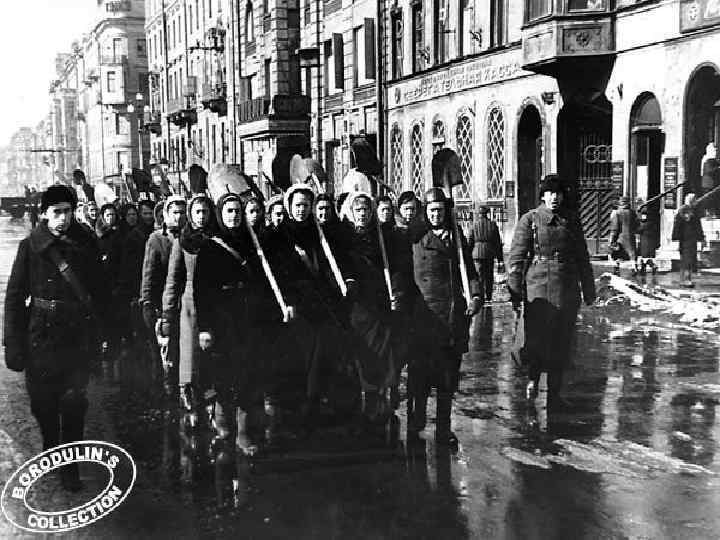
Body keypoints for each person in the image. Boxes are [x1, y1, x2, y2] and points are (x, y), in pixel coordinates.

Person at [3, 185, 106, 491]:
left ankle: (69, 467)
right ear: (45, 214)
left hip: (76, 335)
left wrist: (106, 336)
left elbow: (101, 293)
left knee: (74, 403)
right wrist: (13, 344)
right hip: (41, 335)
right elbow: (14, 298)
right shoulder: (30, 247)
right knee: (43, 404)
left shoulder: (86, 244)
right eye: (57, 212)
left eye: (68, 211)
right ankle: (50, 442)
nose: (63, 218)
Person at [507, 175, 596, 410]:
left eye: (558, 193)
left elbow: (582, 256)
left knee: (561, 340)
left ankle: (555, 393)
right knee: (536, 339)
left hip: (567, 288)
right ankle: (533, 381)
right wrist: (515, 291)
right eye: (550, 193)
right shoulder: (530, 219)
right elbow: (516, 258)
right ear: (543, 196)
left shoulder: (571, 220)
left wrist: (589, 289)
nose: (554, 197)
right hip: (538, 288)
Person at [407, 188, 481, 446]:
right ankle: (416, 420)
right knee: (421, 376)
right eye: (431, 211)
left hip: (452, 317)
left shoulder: (456, 237)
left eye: (440, 210)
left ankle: (443, 429)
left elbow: (470, 271)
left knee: (447, 378)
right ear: (425, 213)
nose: (436, 215)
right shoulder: (416, 238)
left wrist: (476, 296)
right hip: (425, 317)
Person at [194, 193, 257, 451]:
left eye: (237, 211)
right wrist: (204, 328)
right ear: (220, 214)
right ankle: (222, 422)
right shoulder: (210, 247)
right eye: (229, 211)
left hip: (245, 316)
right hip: (221, 318)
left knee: (246, 373)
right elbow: (201, 291)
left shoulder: (251, 242)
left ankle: (243, 432)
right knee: (223, 373)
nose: (234, 216)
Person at [161, 194, 216, 418]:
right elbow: (173, 280)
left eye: (205, 212)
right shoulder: (182, 241)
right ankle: (191, 405)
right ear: (191, 215)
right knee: (190, 357)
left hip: (215, 303)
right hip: (190, 306)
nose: (201, 216)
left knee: (212, 356)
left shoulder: (217, 238)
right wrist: (167, 314)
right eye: (197, 212)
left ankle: (213, 405)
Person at [140, 195, 187, 377]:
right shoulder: (156, 239)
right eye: (174, 212)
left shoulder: (191, 237)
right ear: (166, 215)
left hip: (186, 304)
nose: (179, 217)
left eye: (182, 212)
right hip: (164, 306)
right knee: (167, 355)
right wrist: (147, 304)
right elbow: (149, 275)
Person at [469, 205, 504, 302]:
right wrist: (500, 258)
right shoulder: (492, 225)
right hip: (489, 253)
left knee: (479, 276)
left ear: (479, 214)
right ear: (487, 213)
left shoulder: (474, 225)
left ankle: (480, 296)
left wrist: (469, 254)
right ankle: (488, 296)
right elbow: (497, 243)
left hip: (477, 253)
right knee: (489, 276)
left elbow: (470, 241)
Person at [672, 192, 705, 287]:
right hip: (687, 239)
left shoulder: (689, 210)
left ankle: (685, 279)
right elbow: (679, 224)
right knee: (688, 259)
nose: (696, 202)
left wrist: (701, 237)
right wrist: (676, 237)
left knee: (688, 259)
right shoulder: (686, 211)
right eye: (694, 200)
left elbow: (697, 225)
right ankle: (686, 280)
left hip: (689, 239)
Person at [610, 196, 640, 275]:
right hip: (631, 235)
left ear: (620, 203)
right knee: (632, 252)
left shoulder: (617, 213)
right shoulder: (632, 212)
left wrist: (612, 238)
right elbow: (637, 224)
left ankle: (616, 268)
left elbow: (615, 227)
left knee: (617, 252)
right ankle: (634, 267)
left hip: (620, 236)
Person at [637, 210, 659, 275]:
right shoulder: (652, 223)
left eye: (644, 215)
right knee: (647, 257)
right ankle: (645, 268)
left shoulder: (645, 224)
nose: (643, 217)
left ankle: (650, 266)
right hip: (650, 242)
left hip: (645, 242)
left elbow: (638, 230)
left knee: (644, 257)